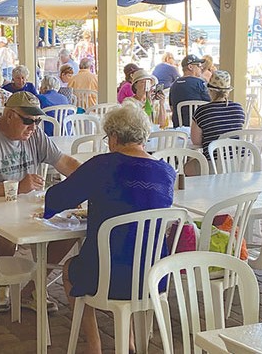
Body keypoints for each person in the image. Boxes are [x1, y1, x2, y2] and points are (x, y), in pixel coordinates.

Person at [46, 104, 176, 354]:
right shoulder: (166, 172)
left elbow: (56, 199)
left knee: (71, 268)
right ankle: (126, 343)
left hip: (108, 277)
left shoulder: (102, 166)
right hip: (153, 276)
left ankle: (94, 344)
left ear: (114, 138)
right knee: (128, 251)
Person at [0, 92, 81, 312]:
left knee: (71, 229)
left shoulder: (36, 137)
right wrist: (16, 187)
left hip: (26, 208)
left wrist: (90, 181)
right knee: (8, 234)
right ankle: (2, 288)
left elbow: (64, 162)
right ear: (9, 116)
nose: (34, 126)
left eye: (38, 121)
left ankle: (33, 288)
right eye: (28, 120)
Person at [191, 70, 246, 165]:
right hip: (241, 162)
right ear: (228, 91)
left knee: (187, 167)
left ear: (210, 90)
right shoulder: (238, 108)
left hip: (214, 163)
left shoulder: (202, 111)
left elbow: (196, 142)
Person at [169, 54, 210, 127]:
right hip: (199, 127)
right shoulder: (200, 83)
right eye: (198, 65)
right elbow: (210, 103)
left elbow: (172, 108)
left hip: (179, 128)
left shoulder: (174, 85)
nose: (201, 68)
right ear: (190, 67)